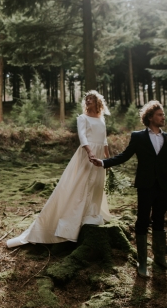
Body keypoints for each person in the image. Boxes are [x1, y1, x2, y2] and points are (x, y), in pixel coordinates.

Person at [6, 90, 112, 248]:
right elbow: (82, 136)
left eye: (91, 98)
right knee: (80, 185)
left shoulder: (101, 119)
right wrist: (89, 152)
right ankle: (70, 224)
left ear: (98, 102)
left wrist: (108, 159)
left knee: (97, 184)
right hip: (86, 155)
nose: (88, 101)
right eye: (87, 99)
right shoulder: (82, 118)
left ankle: (89, 215)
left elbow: (104, 140)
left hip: (100, 158)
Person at [91, 100, 167, 278]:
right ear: (150, 117)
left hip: (165, 187)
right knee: (142, 221)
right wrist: (104, 163)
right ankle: (142, 262)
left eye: (163, 115)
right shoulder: (138, 137)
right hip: (145, 185)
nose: (163, 117)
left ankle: (160, 258)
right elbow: (125, 155)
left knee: (159, 219)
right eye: (160, 115)